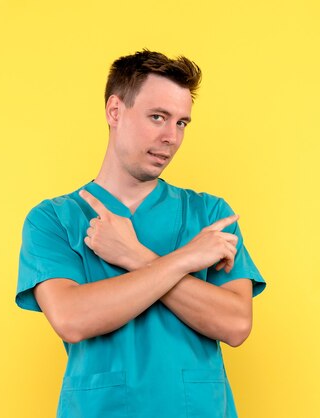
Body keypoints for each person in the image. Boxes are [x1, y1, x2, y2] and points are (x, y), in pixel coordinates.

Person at [15, 49, 267, 418]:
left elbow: (235, 324)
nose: (171, 137)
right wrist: (185, 260)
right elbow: (72, 318)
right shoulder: (54, 219)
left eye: (182, 123)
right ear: (115, 111)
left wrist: (135, 256)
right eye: (157, 117)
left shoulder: (210, 215)